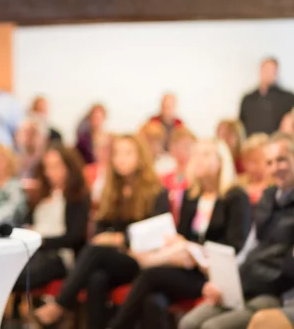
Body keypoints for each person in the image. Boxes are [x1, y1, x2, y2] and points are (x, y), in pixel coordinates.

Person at [108, 139, 251, 329]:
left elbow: (234, 245)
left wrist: (194, 249)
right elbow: (182, 235)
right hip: (187, 266)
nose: (198, 159)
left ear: (221, 161)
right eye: (196, 154)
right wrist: (179, 244)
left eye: (206, 154)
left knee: (150, 275)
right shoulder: (192, 196)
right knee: (153, 301)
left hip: (212, 273)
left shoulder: (235, 197)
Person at [33, 135, 170, 329]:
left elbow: (158, 234)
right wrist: (114, 240)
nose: (121, 158)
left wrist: (119, 238)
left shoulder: (157, 192)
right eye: (117, 154)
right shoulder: (112, 189)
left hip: (144, 259)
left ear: (141, 157)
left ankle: (61, 304)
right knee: (96, 279)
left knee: (95, 250)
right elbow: (101, 227)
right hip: (117, 258)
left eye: (128, 153)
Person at [179, 132, 294, 329]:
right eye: (269, 162)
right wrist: (224, 283)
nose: (275, 168)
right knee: (188, 323)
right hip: (246, 283)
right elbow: (248, 250)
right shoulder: (268, 198)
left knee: (213, 327)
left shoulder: (237, 196)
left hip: (275, 292)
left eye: (281, 160)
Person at [14, 143, 90, 291]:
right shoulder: (43, 193)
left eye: (56, 166)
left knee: (18, 276)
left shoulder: (77, 196)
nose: (50, 172)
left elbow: (74, 237)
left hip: (58, 255)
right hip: (33, 250)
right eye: (47, 166)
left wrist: (42, 241)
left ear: (69, 167)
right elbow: (28, 221)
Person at [239, 57, 294, 136]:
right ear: (260, 70)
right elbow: (241, 126)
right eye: (266, 69)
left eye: (272, 70)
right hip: (252, 144)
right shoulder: (248, 99)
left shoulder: (288, 98)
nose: (268, 73)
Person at [161, 127, 196, 222]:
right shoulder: (164, 178)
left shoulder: (198, 179)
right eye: (176, 144)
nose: (180, 150)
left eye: (187, 145)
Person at [239, 133, 271, 205]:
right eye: (247, 161)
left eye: (256, 161)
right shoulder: (238, 184)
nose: (250, 167)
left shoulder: (277, 184)